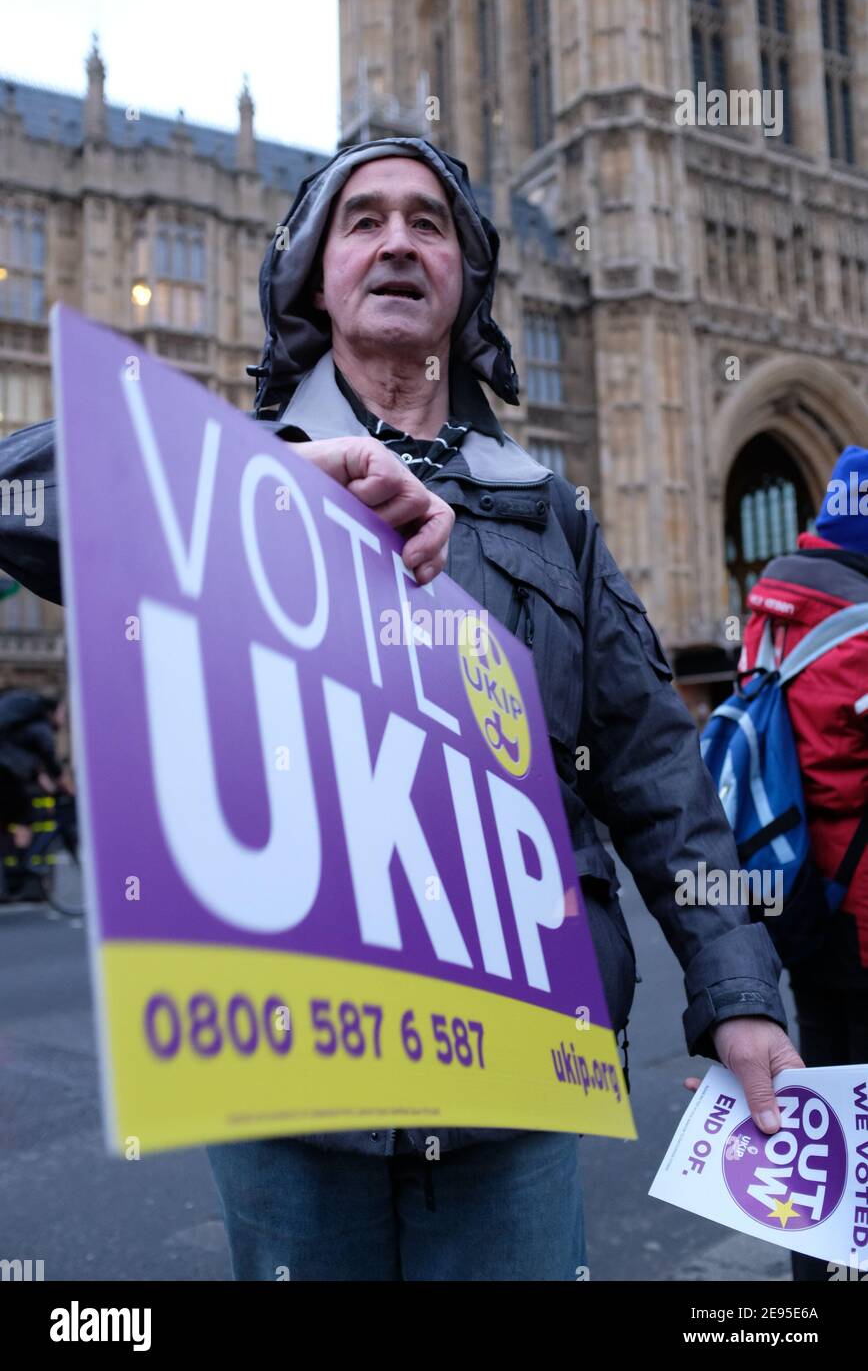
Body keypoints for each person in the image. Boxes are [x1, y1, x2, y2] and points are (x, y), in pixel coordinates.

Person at [0, 137, 801, 1281]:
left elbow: (656, 771)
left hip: (512, 1077)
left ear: (466, 279)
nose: (397, 243)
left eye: (428, 223)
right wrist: (258, 485)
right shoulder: (232, 468)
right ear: (311, 276)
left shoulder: (547, 515)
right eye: (361, 220)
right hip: (291, 1069)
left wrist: (736, 995)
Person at [739, 445, 868, 1282]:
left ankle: (822, 1272)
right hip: (861, 919)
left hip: (801, 906)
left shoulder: (774, 606)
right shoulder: (858, 630)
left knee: (826, 1113)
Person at [0, 688, 66, 896]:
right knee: (24, 816)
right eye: (63, 712)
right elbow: (49, 760)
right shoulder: (40, 727)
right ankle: (17, 874)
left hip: (8, 775)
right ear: (53, 711)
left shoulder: (19, 730)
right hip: (6, 777)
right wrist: (63, 785)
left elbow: (36, 767)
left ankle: (13, 873)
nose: (63, 718)